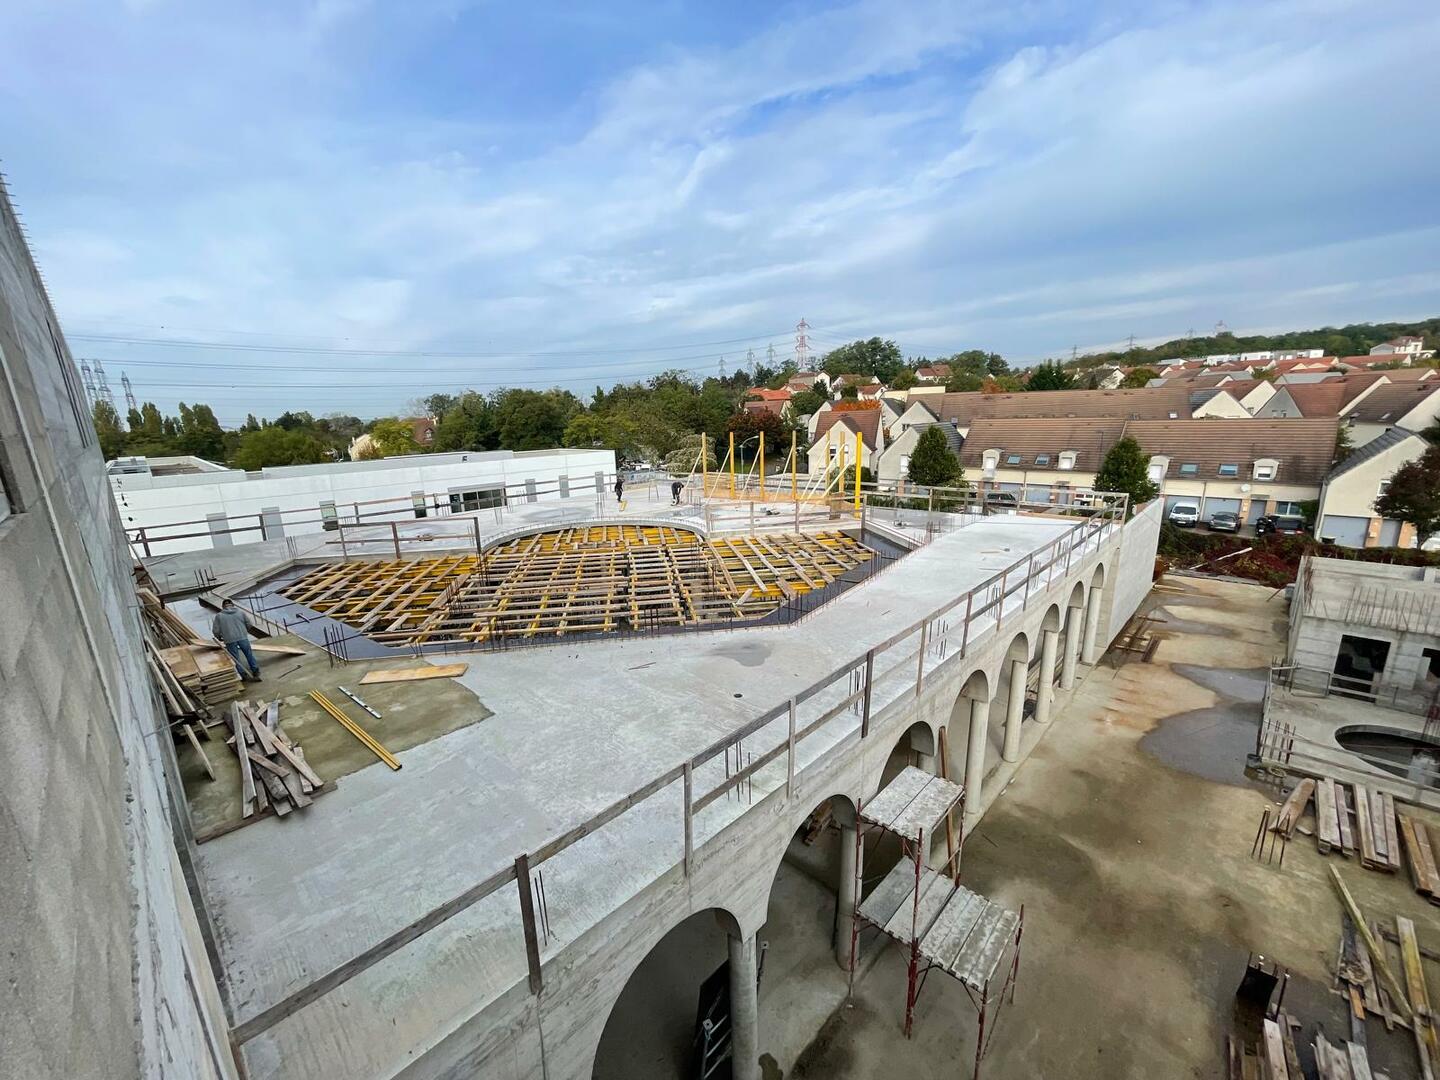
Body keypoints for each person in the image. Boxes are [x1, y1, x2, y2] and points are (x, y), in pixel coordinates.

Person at [212, 599, 262, 682]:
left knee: (236, 658)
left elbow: (216, 630)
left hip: (229, 640)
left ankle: (242, 674)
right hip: (242, 637)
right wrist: (244, 631)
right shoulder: (240, 612)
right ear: (233, 605)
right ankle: (255, 670)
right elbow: (249, 624)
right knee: (249, 654)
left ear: (223, 607)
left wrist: (219, 637)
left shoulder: (219, 616)